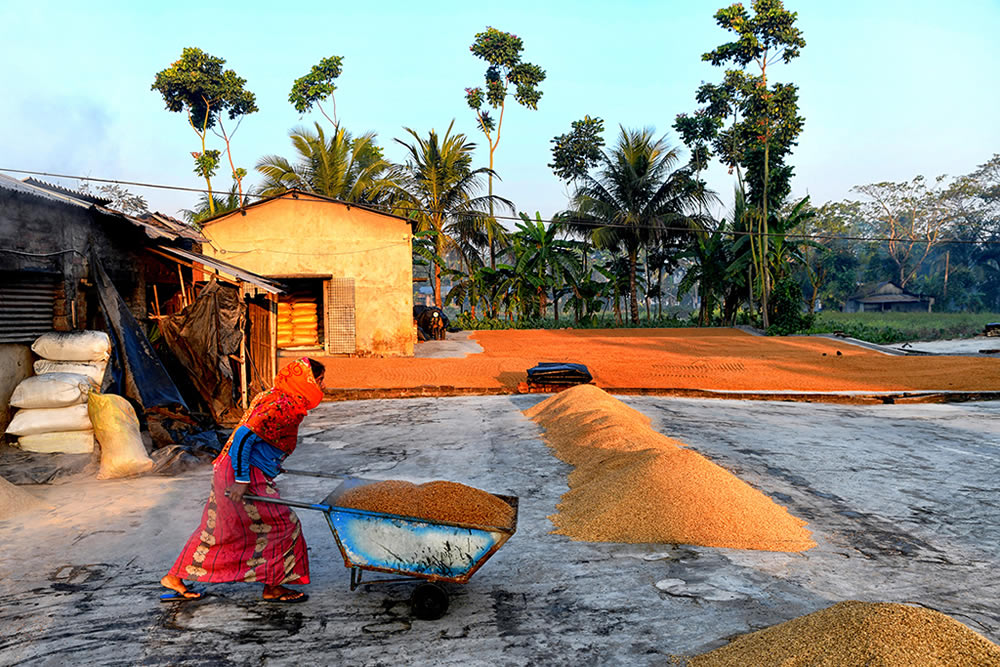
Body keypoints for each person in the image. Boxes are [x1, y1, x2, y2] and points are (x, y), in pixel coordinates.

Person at [160, 357, 326, 604]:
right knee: (283, 525)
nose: (322, 387)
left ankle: (176, 577)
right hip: (242, 473)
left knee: (222, 529)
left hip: (238, 470)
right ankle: (274, 587)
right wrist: (241, 479)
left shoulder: (277, 396)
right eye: (320, 381)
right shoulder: (283, 406)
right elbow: (242, 438)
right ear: (307, 380)